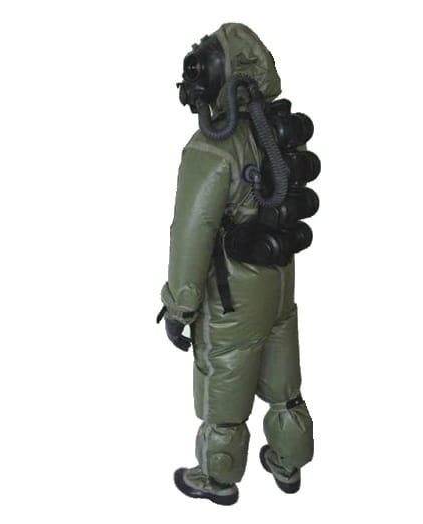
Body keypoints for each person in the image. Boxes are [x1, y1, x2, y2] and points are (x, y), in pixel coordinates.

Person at [158, 22, 320, 505]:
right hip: (279, 284)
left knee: (225, 384)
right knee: (284, 385)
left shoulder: (211, 148)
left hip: (231, 296)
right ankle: (289, 460)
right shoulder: (277, 132)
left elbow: (191, 234)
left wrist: (179, 307)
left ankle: (217, 477)